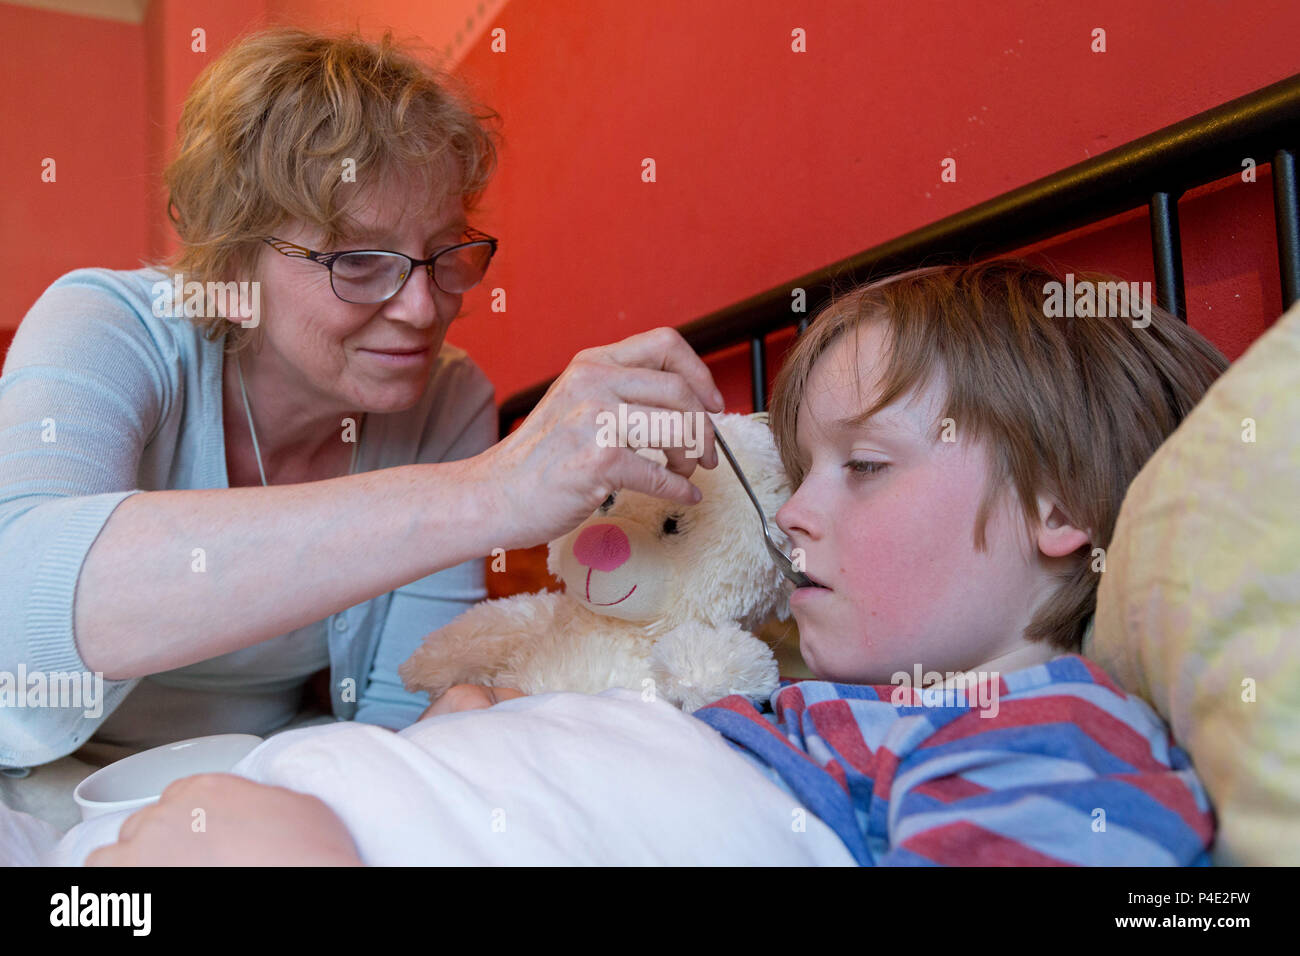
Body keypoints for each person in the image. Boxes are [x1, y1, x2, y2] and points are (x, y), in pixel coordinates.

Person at [84, 259, 1226, 866]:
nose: (790, 519)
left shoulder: (1047, 735)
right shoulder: (810, 711)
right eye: (795, 470)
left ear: (1060, 508)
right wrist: (486, 735)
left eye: (864, 467)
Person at [0, 27, 721, 797]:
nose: (420, 308)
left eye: (446, 253)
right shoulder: (108, 324)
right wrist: (489, 492)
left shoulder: (447, 400)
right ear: (236, 252)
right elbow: (19, 600)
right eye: (359, 261)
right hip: (31, 767)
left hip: (252, 781)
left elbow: (390, 715)